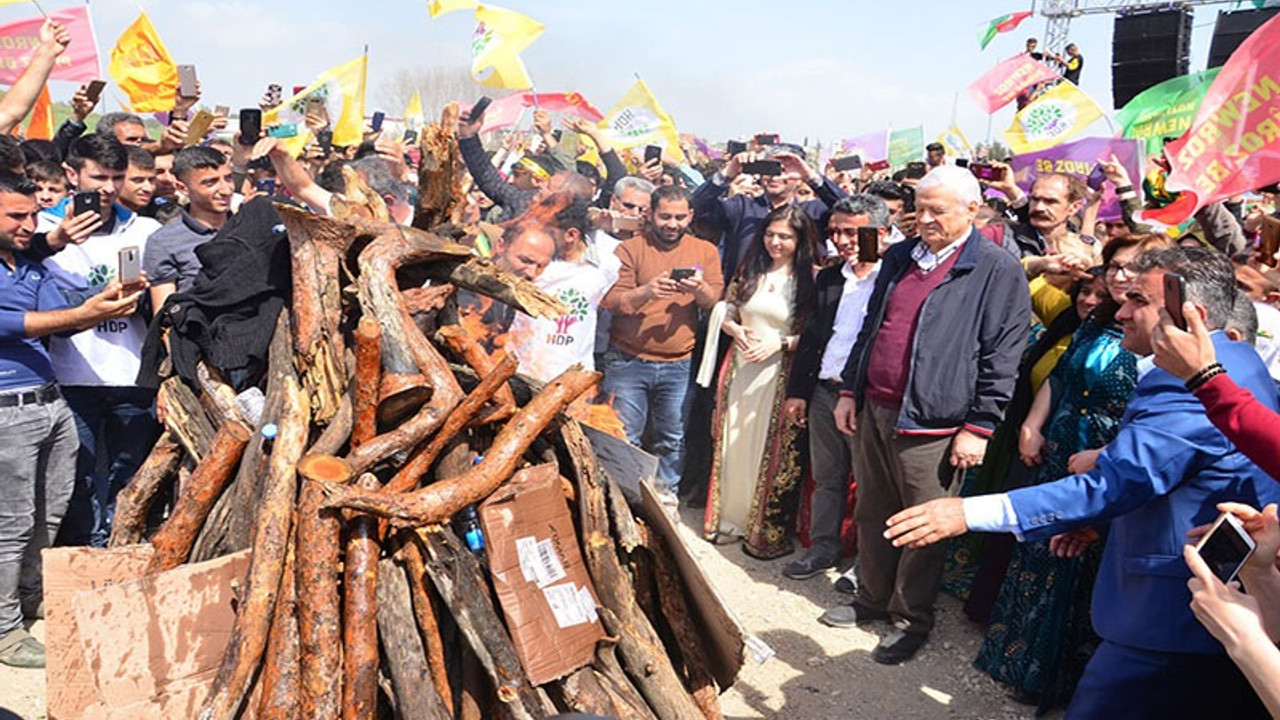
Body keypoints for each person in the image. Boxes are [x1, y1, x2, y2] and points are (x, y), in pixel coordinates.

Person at [884, 246, 1280, 718]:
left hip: (1171, 617)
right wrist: (1105, 525)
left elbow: (1115, 483)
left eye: (1138, 299)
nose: (1123, 311)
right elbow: (1173, 481)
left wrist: (967, 512)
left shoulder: (1195, 385)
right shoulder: (1230, 363)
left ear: (1186, 313)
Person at [820, 166, 1031, 665]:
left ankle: (910, 618)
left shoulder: (997, 269)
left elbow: (1003, 355)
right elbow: (870, 326)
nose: (926, 218)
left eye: (939, 209)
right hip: (877, 407)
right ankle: (871, 598)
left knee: (922, 525)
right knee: (873, 510)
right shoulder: (896, 254)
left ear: (972, 210)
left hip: (936, 422)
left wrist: (980, 426)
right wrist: (852, 390)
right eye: (920, 208)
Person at [974, 262, 1137, 711]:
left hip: (1108, 460)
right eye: (1117, 266)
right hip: (1062, 445)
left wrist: (1107, 456)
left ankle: (1061, 679)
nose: (1123, 277)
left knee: (1081, 563)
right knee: (1039, 548)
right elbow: (1061, 376)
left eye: (1134, 268)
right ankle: (1020, 661)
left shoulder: (1158, 339)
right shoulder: (1097, 320)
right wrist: (1032, 424)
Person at [0, 172, 144, 668]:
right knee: (10, 524)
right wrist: (83, 314)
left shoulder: (29, 263)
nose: (30, 224)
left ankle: (31, 597)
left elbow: (61, 310)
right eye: (16, 216)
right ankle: (4, 630)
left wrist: (104, 300)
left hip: (49, 403)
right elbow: (22, 324)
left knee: (48, 512)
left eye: (33, 215)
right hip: (6, 412)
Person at [36, 134, 161, 547]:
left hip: (131, 372)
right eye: (99, 177)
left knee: (130, 472)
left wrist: (142, 298)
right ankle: (83, 551)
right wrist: (56, 243)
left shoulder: (145, 229)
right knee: (78, 473)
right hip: (68, 375)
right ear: (71, 174)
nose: (107, 188)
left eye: (116, 177)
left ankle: (121, 548)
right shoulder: (40, 228)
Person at [780, 195, 892, 579]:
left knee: (870, 485)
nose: (841, 240)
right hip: (824, 392)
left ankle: (867, 564)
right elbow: (812, 337)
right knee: (827, 478)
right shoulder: (830, 276)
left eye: (851, 232)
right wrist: (798, 391)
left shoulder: (893, 279)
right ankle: (823, 548)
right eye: (835, 232)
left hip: (866, 398)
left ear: (880, 233)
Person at [701, 204, 818, 557]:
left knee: (767, 451)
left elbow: (816, 335)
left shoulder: (809, 279)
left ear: (800, 240)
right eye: (770, 234)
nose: (775, 242)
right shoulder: (750, 269)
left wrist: (780, 344)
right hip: (740, 370)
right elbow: (728, 309)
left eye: (785, 236)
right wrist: (734, 329)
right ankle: (729, 521)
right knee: (732, 444)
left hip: (778, 375)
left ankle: (761, 529)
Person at [601, 185, 724, 502]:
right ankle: (623, 497)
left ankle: (666, 495)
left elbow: (714, 300)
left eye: (680, 217)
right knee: (625, 435)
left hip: (677, 364)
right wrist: (648, 292)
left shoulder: (705, 251)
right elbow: (611, 300)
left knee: (672, 436)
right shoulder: (630, 249)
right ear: (650, 214)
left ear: (690, 216)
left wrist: (698, 290)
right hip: (628, 359)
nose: (673, 224)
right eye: (665, 216)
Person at [692, 144, 847, 280]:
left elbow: (855, 211)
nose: (775, 176)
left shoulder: (815, 212)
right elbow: (695, 208)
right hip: (747, 298)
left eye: (784, 170)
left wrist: (813, 178)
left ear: (799, 177)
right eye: (769, 168)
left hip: (801, 301)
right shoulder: (742, 207)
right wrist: (726, 175)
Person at [143, 145, 235, 311]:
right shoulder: (164, 242)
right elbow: (164, 317)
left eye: (228, 178)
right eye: (210, 182)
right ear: (182, 188)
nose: (226, 190)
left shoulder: (248, 228)